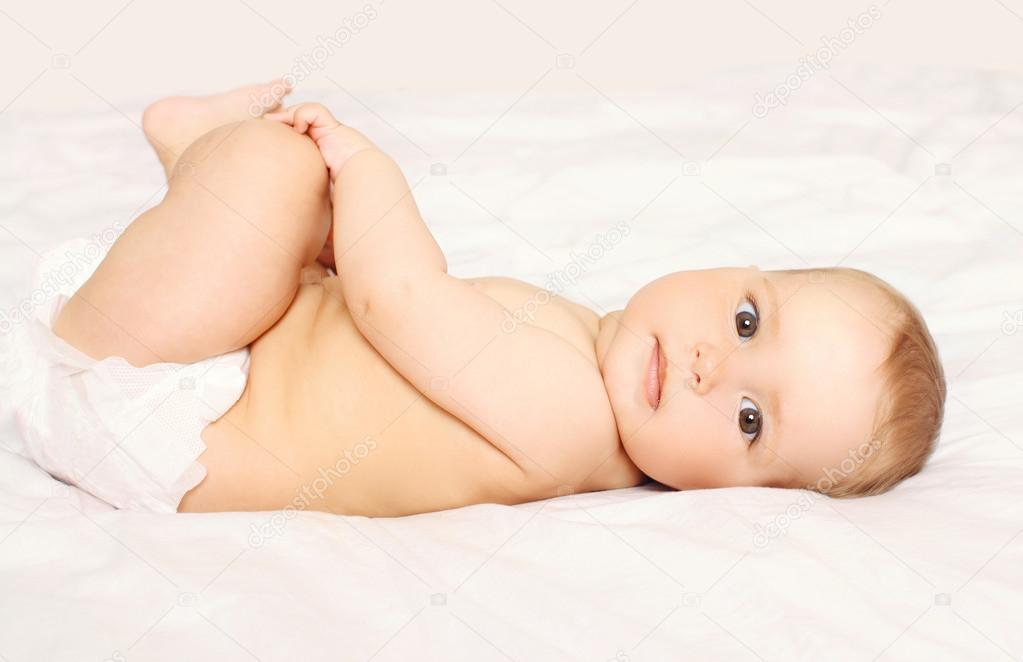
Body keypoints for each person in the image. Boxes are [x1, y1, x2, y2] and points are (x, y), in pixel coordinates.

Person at [4, 81, 946, 516]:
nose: (711, 365)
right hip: (242, 348)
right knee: (290, 225)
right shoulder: (582, 351)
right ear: (734, 267)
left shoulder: (575, 418)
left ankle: (203, 161)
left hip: (152, 404)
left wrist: (365, 170)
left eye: (749, 420)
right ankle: (195, 173)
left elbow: (400, 301)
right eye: (745, 323)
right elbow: (384, 335)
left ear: (745, 499)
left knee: (276, 166)